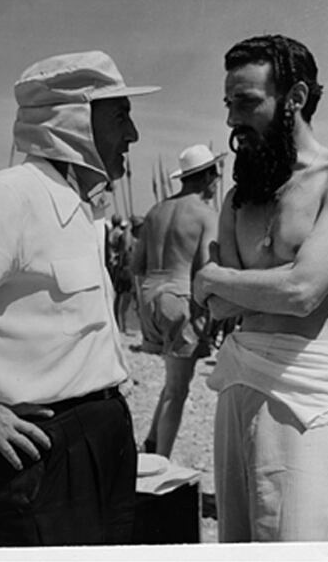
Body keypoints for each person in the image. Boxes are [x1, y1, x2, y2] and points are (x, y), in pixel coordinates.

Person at [0, 51, 160, 547]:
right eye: (121, 116)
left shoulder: (78, 210)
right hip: (35, 460)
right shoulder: (9, 197)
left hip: (95, 446)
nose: (133, 135)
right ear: (75, 122)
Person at [193, 34, 328, 542]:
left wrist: (215, 275)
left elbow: (302, 291)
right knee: (240, 540)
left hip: (315, 394)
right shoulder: (241, 196)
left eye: (246, 103)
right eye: (228, 104)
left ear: (296, 98)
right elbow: (218, 308)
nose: (232, 121)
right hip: (240, 384)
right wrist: (260, 285)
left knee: (307, 538)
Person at [131, 144, 222, 458]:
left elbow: (136, 265)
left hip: (149, 296)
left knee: (172, 382)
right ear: (207, 176)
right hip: (180, 296)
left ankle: (153, 441)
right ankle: (161, 462)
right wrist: (207, 316)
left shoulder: (156, 211)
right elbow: (204, 270)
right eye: (216, 175)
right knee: (179, 390)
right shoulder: (205, 214)